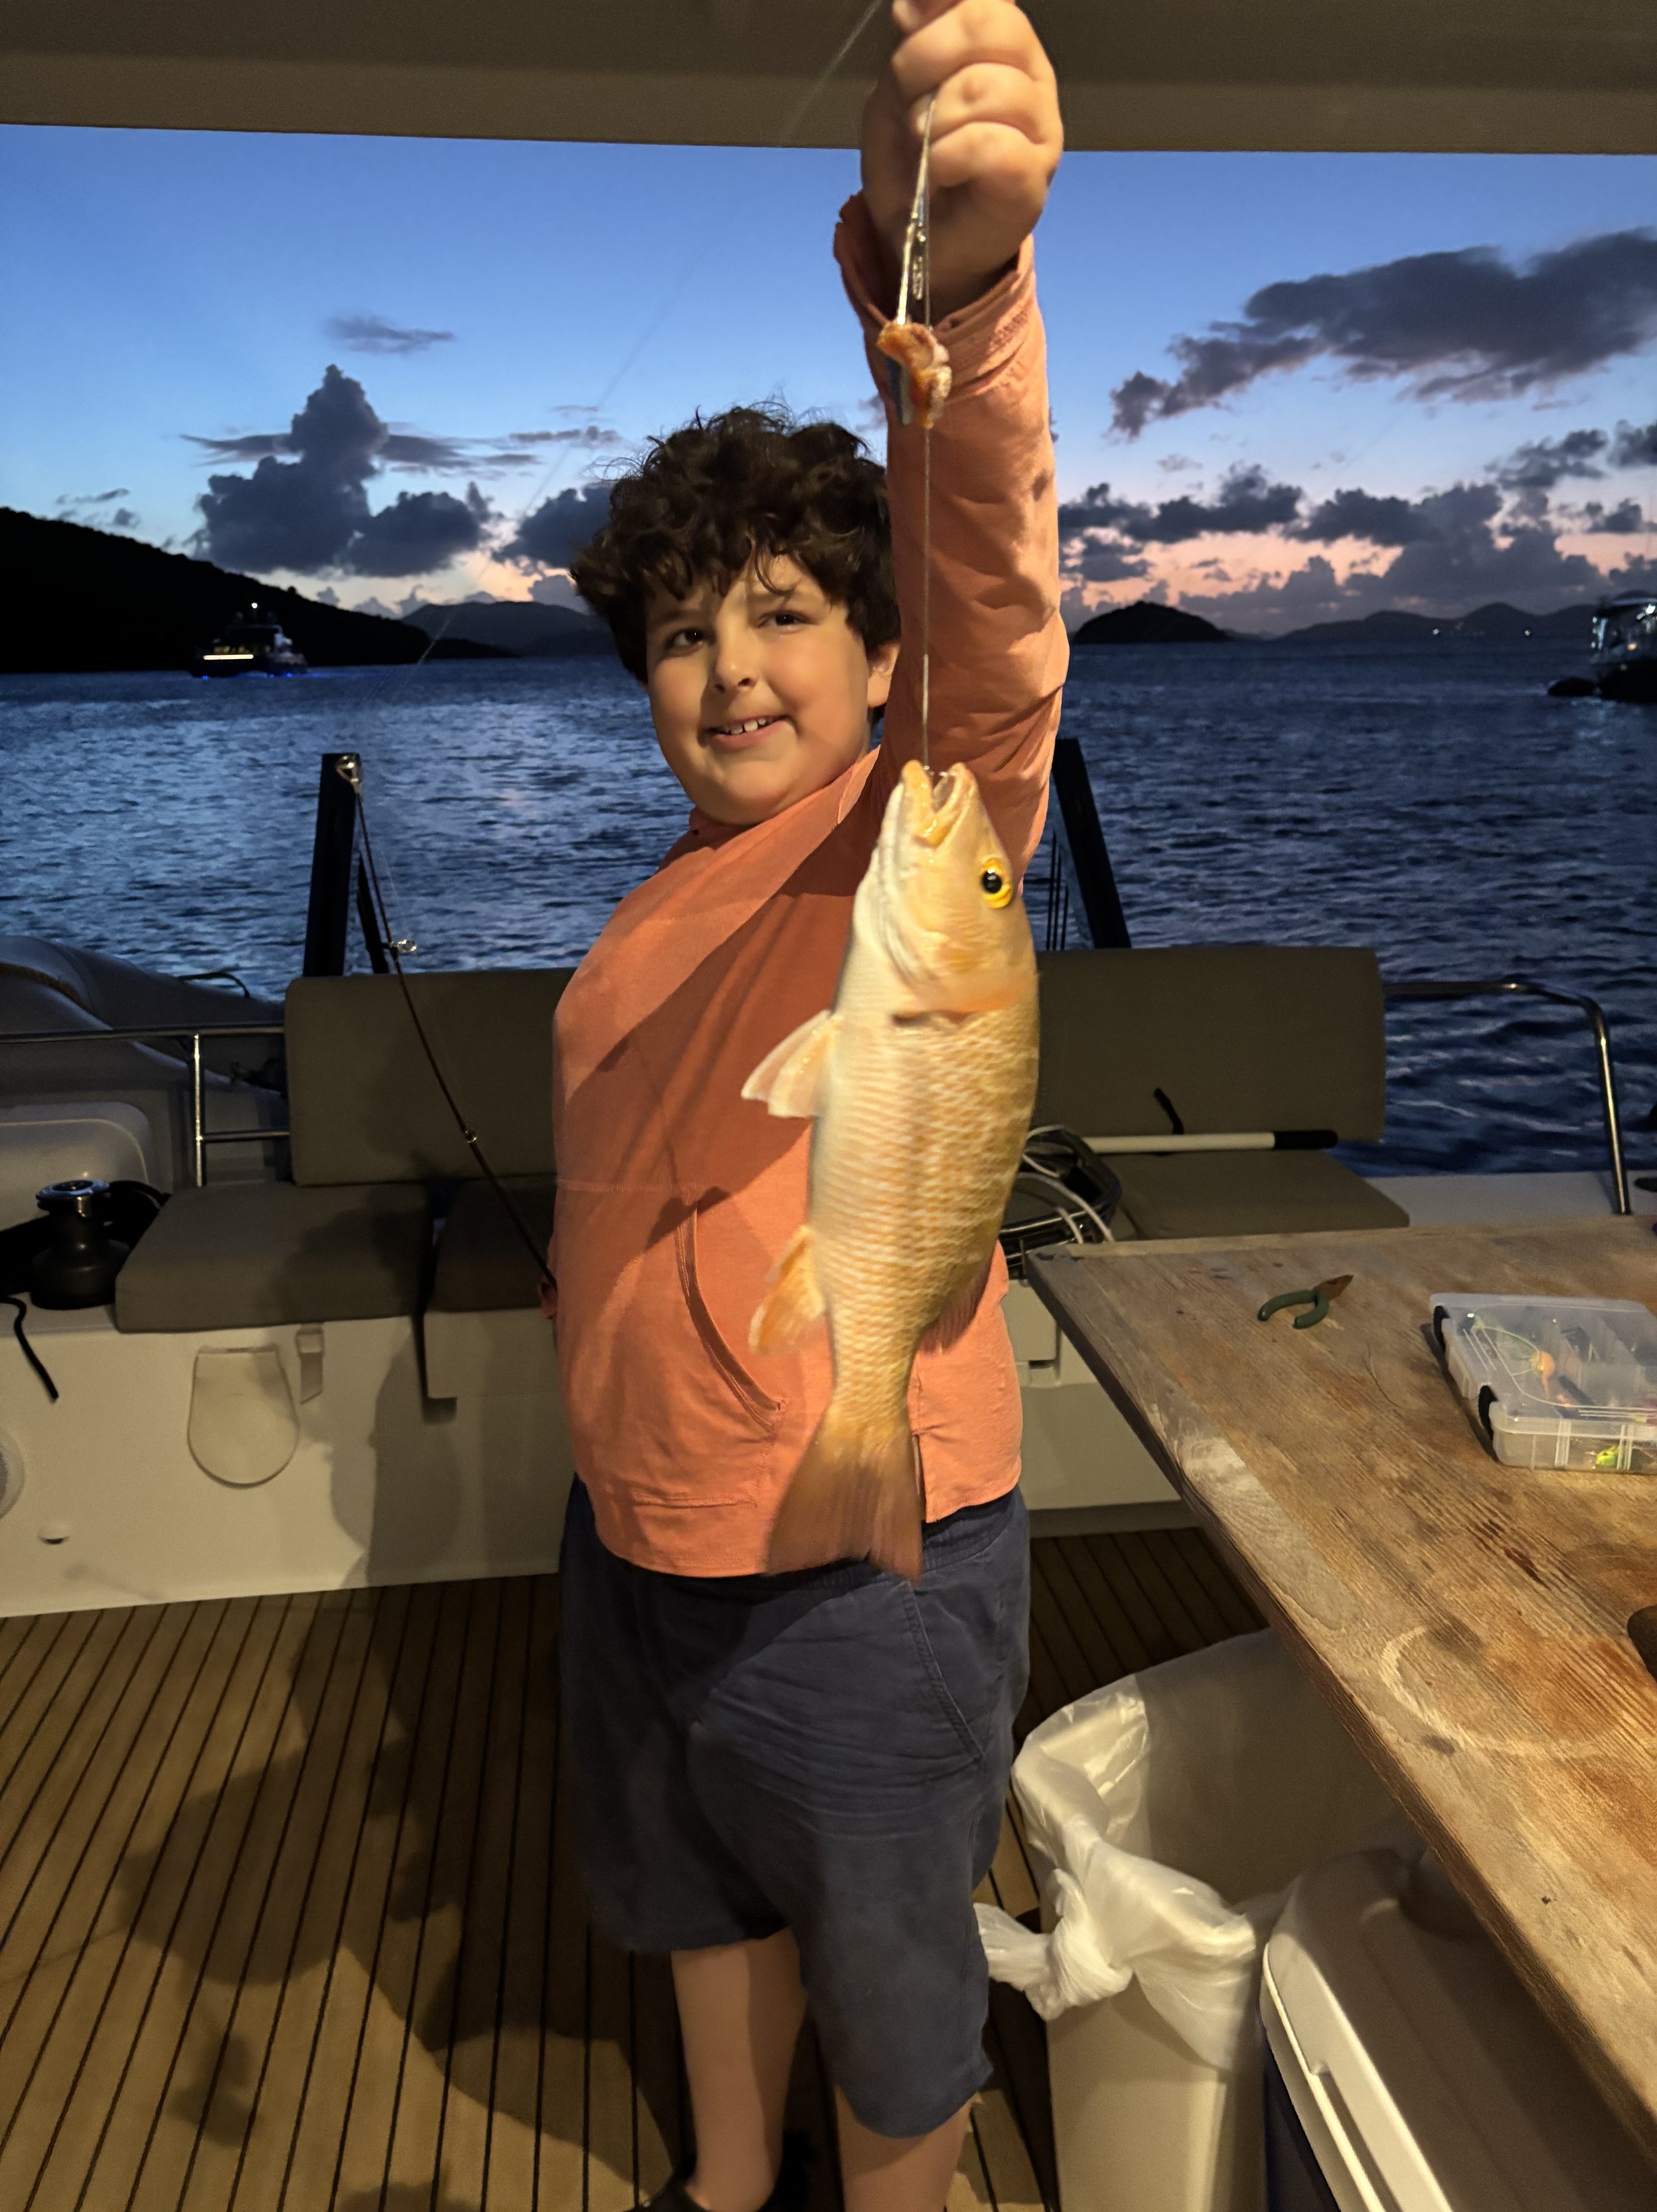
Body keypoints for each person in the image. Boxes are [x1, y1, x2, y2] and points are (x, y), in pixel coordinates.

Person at [550, 4, 1065, 2208]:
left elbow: (995, 622)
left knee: (893, 1985)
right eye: (680, 633)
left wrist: (958, 293)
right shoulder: (667, 890)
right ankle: (724, 2188)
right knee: (696, 1896)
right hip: (641, 1528)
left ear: (873, 660)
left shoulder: (913, 836)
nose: (730, 667)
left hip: (858, 1558)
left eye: (781, 614)